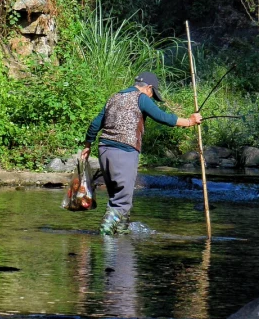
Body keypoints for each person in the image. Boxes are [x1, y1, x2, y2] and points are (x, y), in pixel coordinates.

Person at [81, 69, 202, 235]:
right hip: (124, 151)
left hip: (104, 150)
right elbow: (162, 117)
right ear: (148, 88)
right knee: (121, 201)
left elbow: (95, 123)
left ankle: (122, 236)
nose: (152, 97)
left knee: (119, 196)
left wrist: (87, 145)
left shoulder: (114, 97)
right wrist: (190, 121)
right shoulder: (141, 98)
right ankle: (105, 236)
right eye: (153, 93)